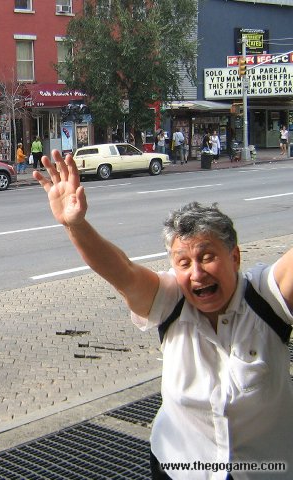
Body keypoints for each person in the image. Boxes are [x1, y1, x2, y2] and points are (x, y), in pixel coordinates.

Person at [34, 150, 293, 480]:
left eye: (207, 256)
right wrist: (76, 225)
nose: (197, 274)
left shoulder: (266, 297)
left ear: (235, 256)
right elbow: (122, 271)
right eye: (183, 263)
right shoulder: (170, 300)